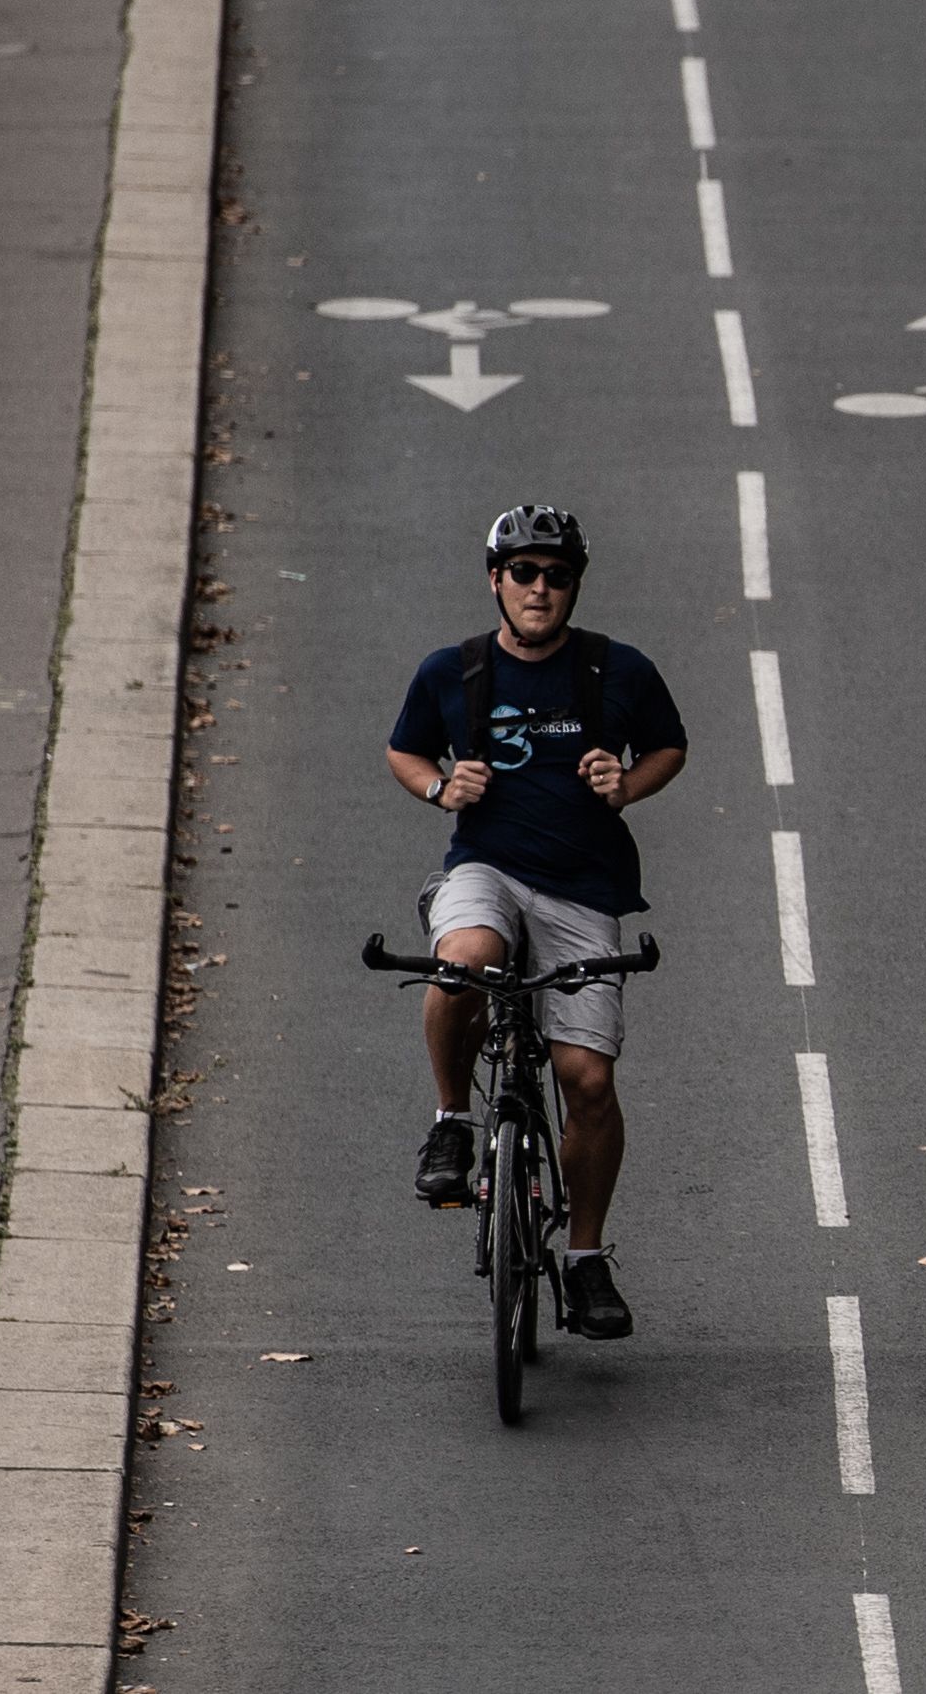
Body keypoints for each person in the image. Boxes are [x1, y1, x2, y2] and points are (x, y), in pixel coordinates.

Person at [384, 505, 687, 1339]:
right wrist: (439, 789)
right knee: (465, 961)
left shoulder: (617, 671)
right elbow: (405, 749)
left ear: (574, 584)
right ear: (495, 579)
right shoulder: (453, 671)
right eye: (523, 572)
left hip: (585, 889)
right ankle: (452, 1123)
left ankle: (585, 1259)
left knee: (587, 1078)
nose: (539, 587)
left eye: (556, 574)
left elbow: (668, 744)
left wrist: (626, 783)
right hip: (486, 869)